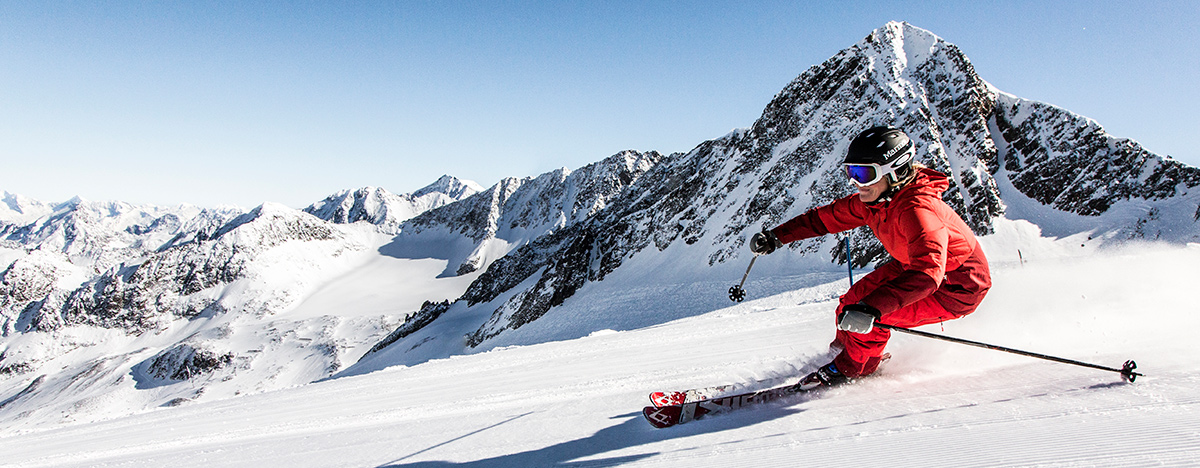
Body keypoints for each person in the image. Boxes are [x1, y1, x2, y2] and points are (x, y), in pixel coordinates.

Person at [749, 125, 992, 389]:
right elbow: (825, 219)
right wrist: (777, 236)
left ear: (896, 172)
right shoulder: (875, 200)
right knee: (851, 303)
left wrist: (872, 309)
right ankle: (843, 352)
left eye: (865, 174)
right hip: (913, 267)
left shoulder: (918, 209)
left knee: (872, 317)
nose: (856, 183)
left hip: (955, 286)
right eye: (851, 172)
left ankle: (854, 368)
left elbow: (928, 273)